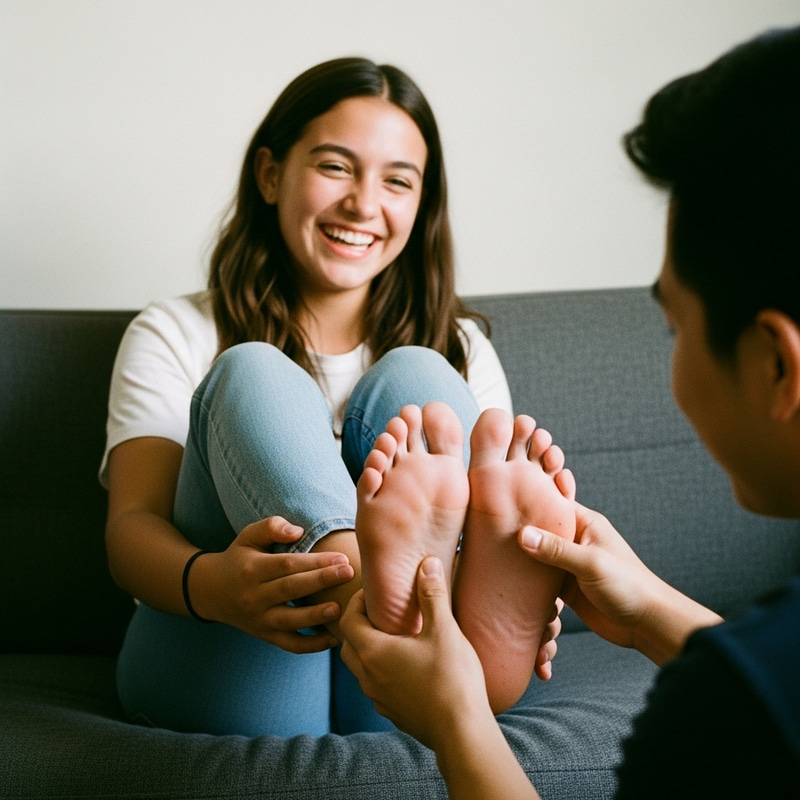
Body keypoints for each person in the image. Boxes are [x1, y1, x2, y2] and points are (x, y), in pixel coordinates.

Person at [339, 25, 800, 798]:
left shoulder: (712, 720)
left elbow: (760, 706)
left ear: (777, 366)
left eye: (673, 327)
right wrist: (651, 607)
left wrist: (457, 717)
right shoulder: (746, 694)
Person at [101, 56, 561, 738]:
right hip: (234, 646)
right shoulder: (176, 331)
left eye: (397, 181)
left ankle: (429, 617)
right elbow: (131, 528)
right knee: (253, 371)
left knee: (421, 378)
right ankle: (378, 595)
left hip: (392, 686)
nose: (363, 204)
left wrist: (516, 588)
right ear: (269, 175)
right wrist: (215, 586)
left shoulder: (460, 350)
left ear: (420, 205)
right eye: (335, 167)